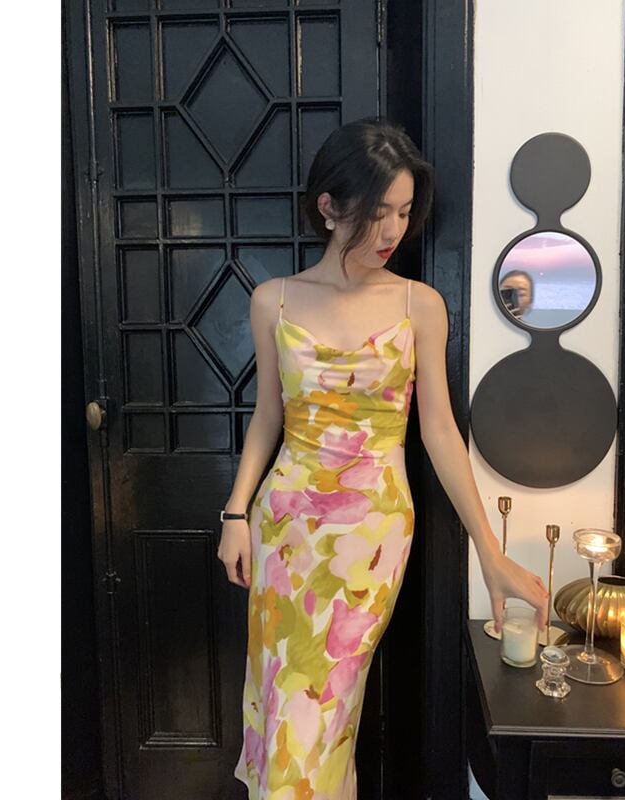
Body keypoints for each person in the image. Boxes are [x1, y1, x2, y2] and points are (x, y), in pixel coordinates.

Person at [218, 117, 549, 799]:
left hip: (371, 539)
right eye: (378, 213)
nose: (394, 229)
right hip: (286, 530)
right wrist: (235, 512)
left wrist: (489, 551)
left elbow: (439, 431)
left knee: (328, 707)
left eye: (403, 211)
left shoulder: (419, 305)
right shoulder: (272, 301)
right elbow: (269, 418)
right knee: (288, 700)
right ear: (329, 206)